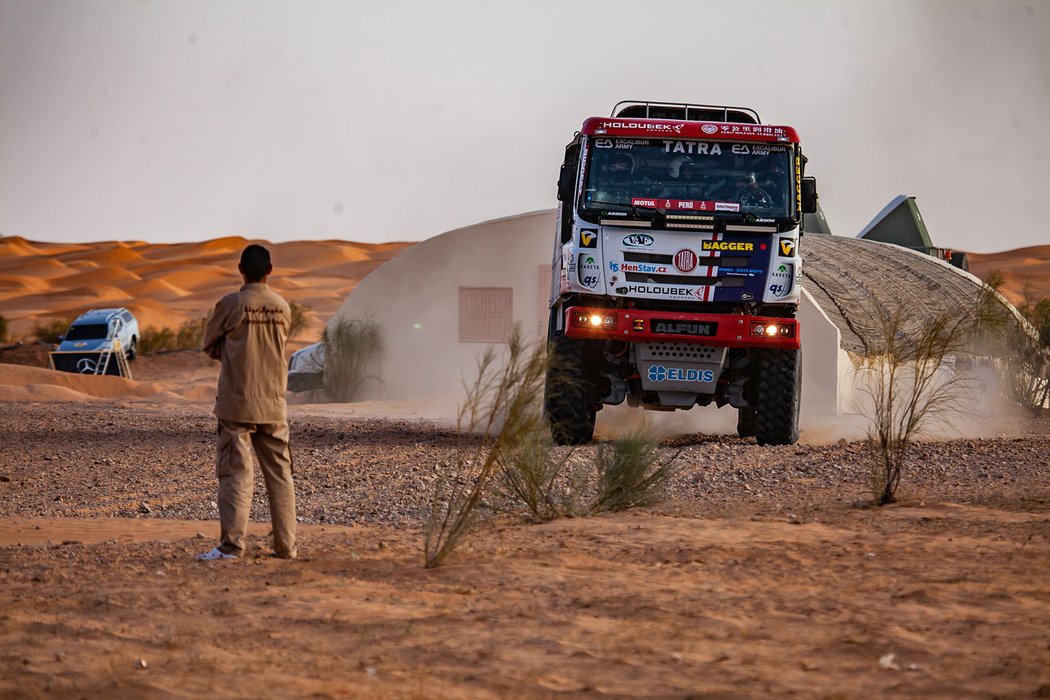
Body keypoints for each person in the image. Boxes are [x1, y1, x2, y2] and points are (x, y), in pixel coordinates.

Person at [197, 244, 297, 561]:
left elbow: (208, 343)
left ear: (241, 269)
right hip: (273, 403)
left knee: (236, 474)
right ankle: (286, 547)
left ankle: (231, 546)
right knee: (281, 475)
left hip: (237, 403)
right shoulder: (282, 306)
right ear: (270, 271)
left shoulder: (231, 303)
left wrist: (232, 354)